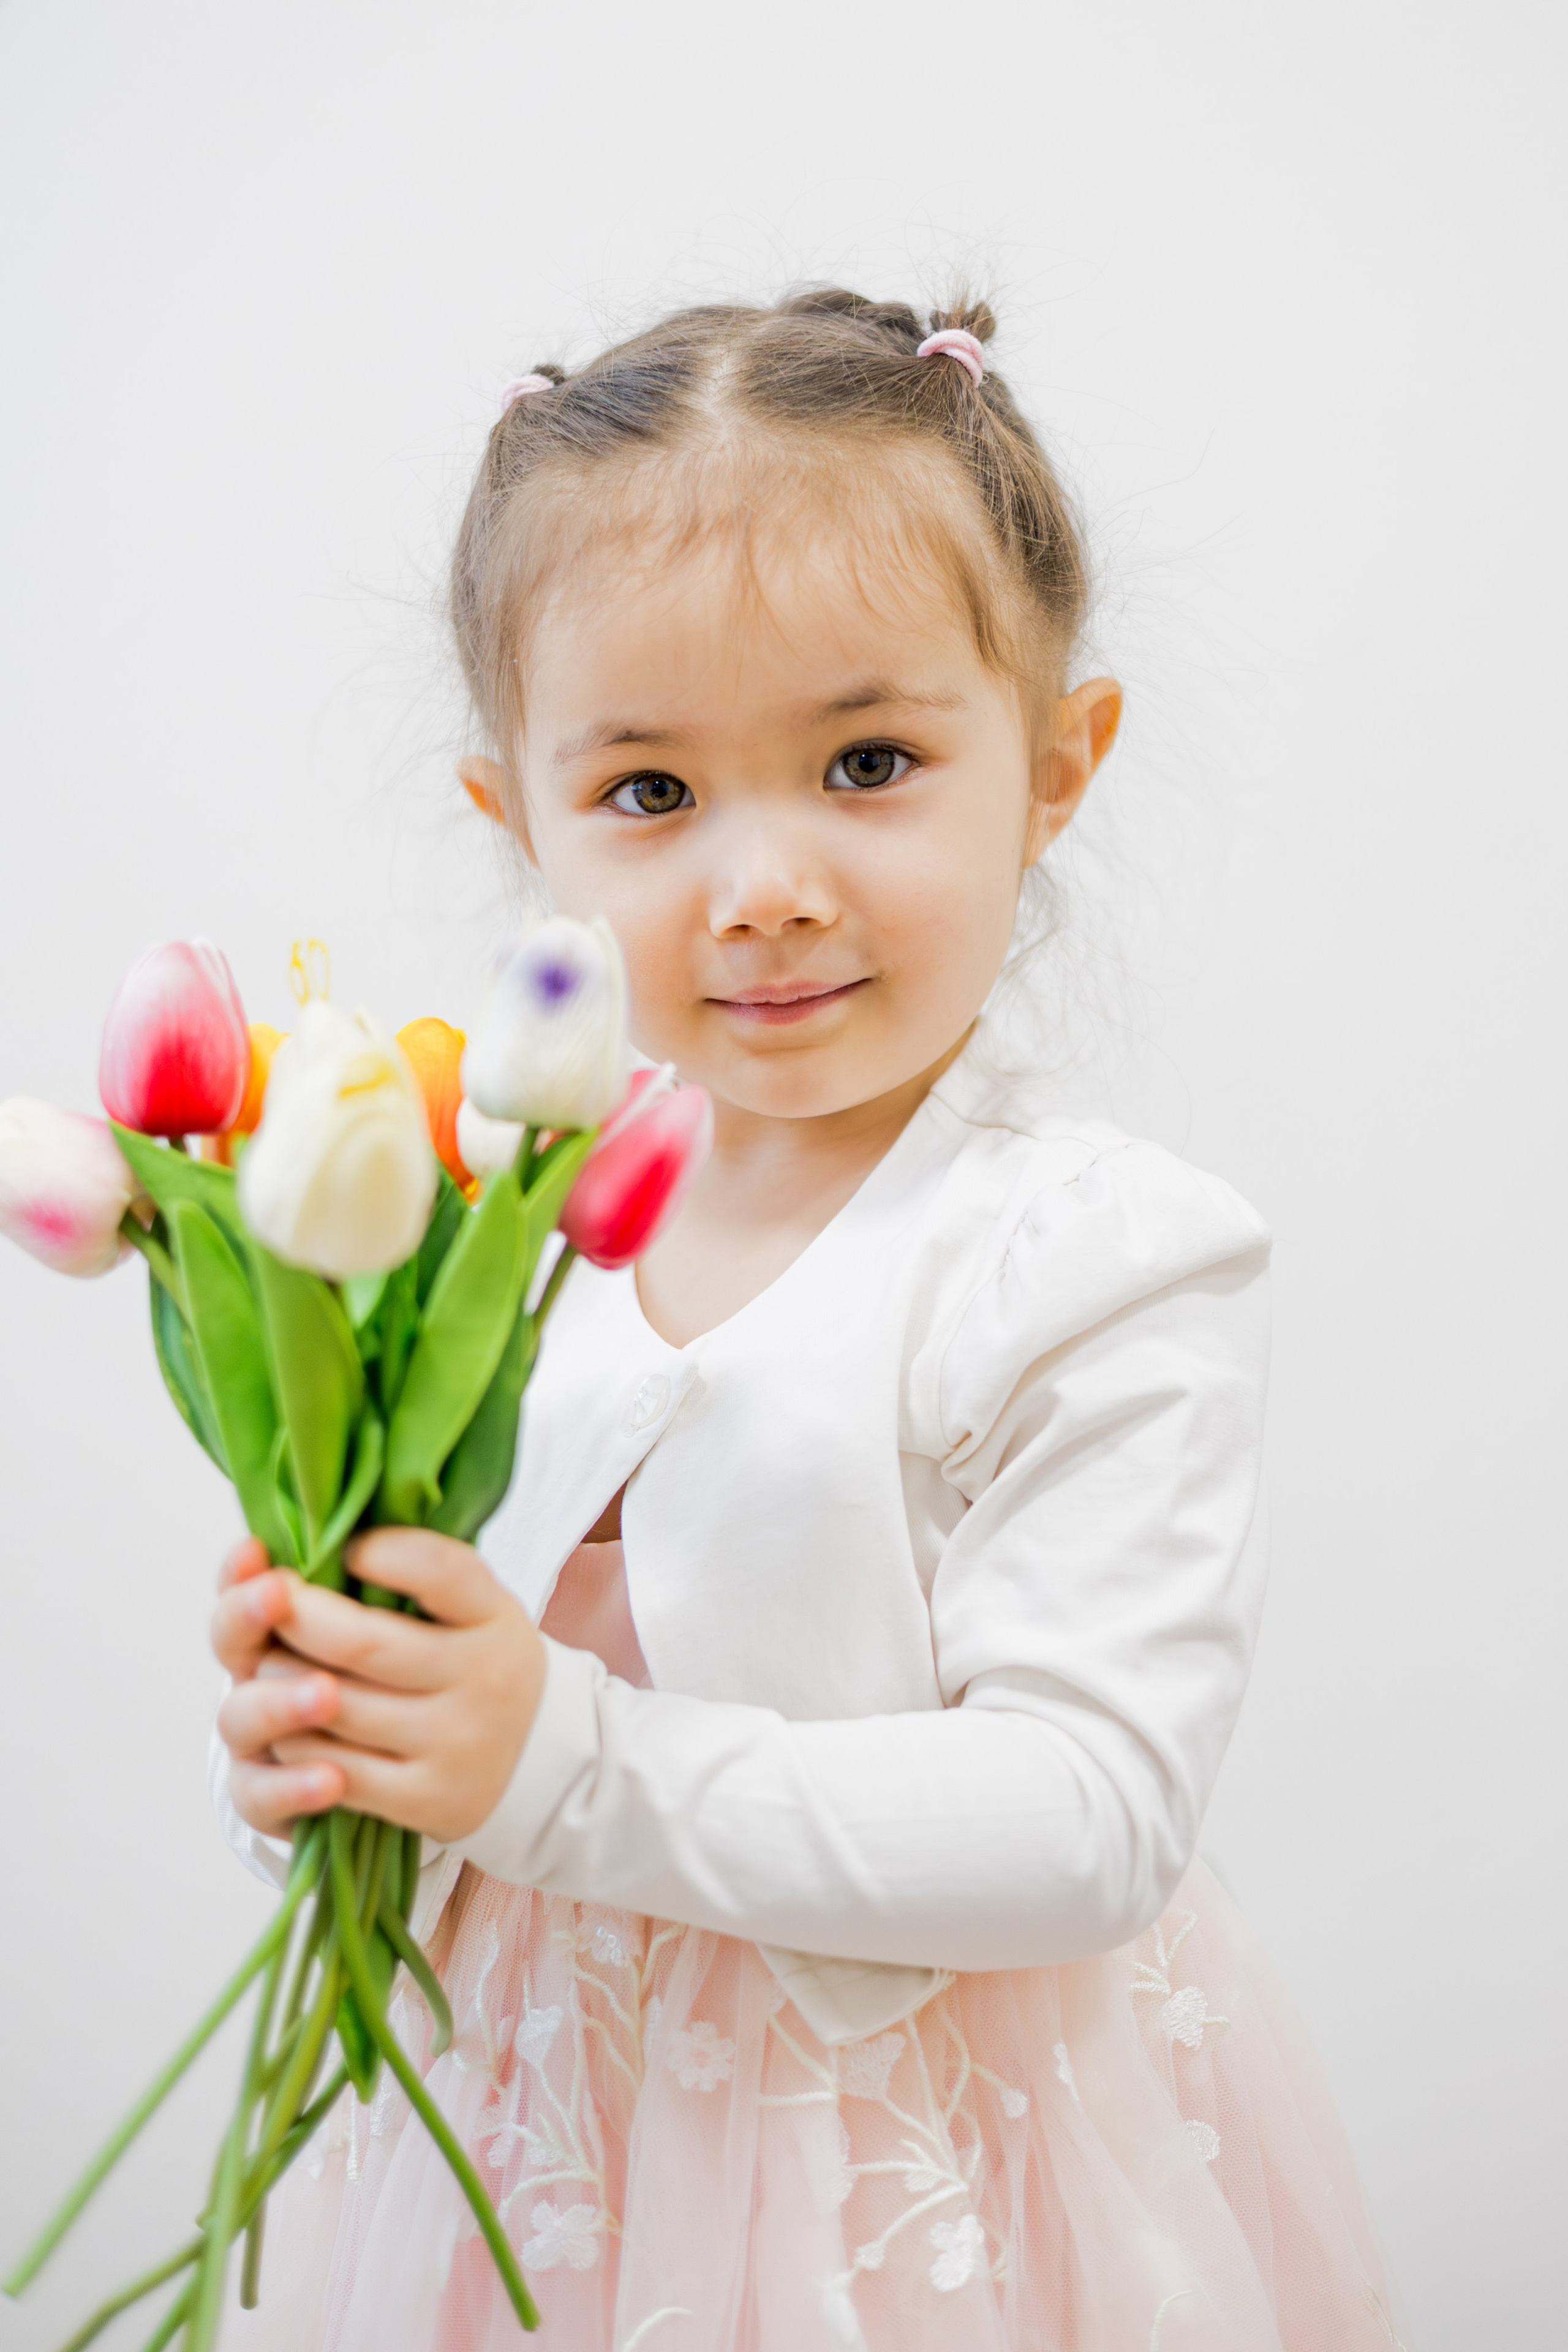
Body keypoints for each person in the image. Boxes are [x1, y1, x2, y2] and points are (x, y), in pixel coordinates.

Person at [214, 290, 1401, 2351]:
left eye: (867, 762)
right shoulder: (494, 1222)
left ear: (1053, 767)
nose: (761, 882)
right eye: (653, 795)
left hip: (906, 2168)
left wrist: (556, 1759)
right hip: (524, 2151)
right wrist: (349, 1734)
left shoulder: (1088, 1254)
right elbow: (481, 1751)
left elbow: (1090, 1815)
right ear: (524, 823)